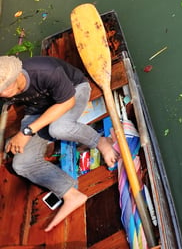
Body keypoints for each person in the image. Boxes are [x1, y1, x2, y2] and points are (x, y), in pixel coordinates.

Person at [0, 55, 121, 232]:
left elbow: (67, 102)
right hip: (38, 110)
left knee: (59, 128)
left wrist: (27, 131)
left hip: (73, 91)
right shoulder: (6, 92)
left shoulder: (45, 71)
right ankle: (71, 194)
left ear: (16, 77)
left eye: (4, 88)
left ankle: (101, 141)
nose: (2, 94)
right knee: (21, 164)